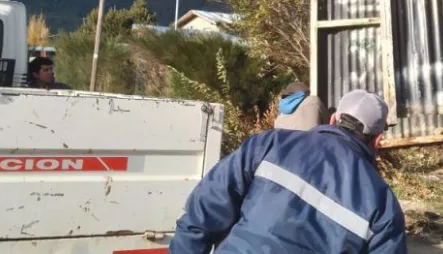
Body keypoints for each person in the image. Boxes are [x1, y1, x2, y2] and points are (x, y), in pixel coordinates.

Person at [170, 89, 407, 253]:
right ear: (377, 140)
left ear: (333, 119)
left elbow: (200, 216)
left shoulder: (268, 144)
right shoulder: (382, 204)